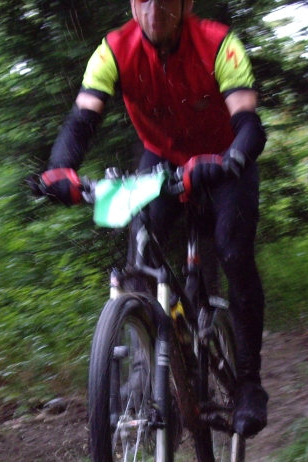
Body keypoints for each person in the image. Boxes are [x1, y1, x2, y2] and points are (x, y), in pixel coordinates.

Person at [37, 0, 268, 437]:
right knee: (140, 258)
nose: (154, 8)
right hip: (162, 159)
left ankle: (249, 382)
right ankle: (148, 370)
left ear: (186, 4)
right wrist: (60, 169)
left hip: (223, 161)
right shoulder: (113, 50)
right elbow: (82, 119)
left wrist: (233, 159)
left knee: (234, 252)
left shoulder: (219, 43)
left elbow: (249, 124)